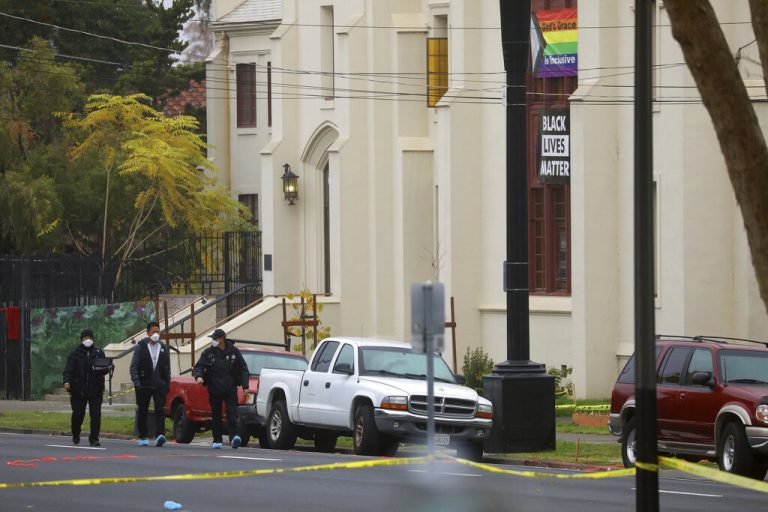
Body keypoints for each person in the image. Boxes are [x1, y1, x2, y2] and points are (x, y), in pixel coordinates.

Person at [192, 328, 250, 449]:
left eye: (215, 339)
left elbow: (244, 368)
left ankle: (234, 437)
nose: (213, 341)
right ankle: (217, 440)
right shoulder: (208, 352)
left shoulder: (234, 352)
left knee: (232, 414)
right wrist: (199, 376)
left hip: (230, 388)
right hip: (214, 388)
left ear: (222, 338)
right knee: (216, 414)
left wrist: (245, 386)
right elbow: (199, 366)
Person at [63, 329, 110, 447]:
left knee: (95, 415)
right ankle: (76, 433)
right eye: (85, 339)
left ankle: (94, 438)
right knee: (78, 414)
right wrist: (67, 381)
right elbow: (68, 370)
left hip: (96, 389)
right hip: (78, 389)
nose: (87, 340)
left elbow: (104, 368)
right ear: (81, 340)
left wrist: (107, 368)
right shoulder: (75, 354)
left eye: (89, 338)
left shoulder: (98, 352)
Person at [130, 321, 171, 447]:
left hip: (159, 384)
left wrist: (166, 383)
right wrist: (137, 382)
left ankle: (160, 434)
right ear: (148, 333)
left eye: (157, 331)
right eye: (153, 332)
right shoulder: (141, 347)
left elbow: (167, 367)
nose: (155, 334)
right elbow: (134, 366)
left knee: (160, 409)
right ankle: (143, 435)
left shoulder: (163, 348)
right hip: (144, 384)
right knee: (143, 410)